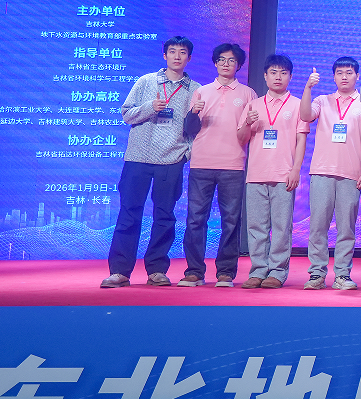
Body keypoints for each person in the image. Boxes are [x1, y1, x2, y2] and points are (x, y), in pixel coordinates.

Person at [101, 36, 201, 288]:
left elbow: (196, 128)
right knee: (129, 212)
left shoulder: (195, 89)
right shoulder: (146, 81)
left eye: (182, 52)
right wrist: (149, 107)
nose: (177, 56)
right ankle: (120, 271)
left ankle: (157, 270)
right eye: (172, 51)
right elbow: (126, 114)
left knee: (165, 216)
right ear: (164, 55)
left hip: (172, 159)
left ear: (189, 58)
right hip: (138, 158)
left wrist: (186, 153)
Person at [179, 42, 257, 288]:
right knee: (195, 219)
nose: (226, 64)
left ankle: (225, 272)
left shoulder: (248, 94)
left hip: (233, 165)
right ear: (215, 63)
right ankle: (194, 271)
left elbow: (248, 134)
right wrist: (193, 113)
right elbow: (189, 130)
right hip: (201, 163)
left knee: (231, 221)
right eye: (221, 59)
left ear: (239, 65)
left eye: (231, 60)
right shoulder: (201, 91)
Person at [299, 57, 361, 290]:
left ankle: (342, 275)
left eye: (349, 72)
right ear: (333, 77)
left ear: (357, 76)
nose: (344, 76)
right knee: (318, 226)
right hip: (321, 171)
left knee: (346, 228)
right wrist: (308, 88)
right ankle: (317, 273)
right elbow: (305, 116)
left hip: (351, 175)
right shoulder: (322, 101)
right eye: (340, 72)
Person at [237, 54, 309, 289]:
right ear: (265, 76)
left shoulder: (297, 105)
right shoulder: (253, 105)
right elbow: (241, 138)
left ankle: (277, 271)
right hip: (256, 174)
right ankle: (258, 270)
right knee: (256, 226)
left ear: (290, 77)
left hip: (283, 174)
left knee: (281, 226)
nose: (278, 77)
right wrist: (247, 123)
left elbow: (301, 140)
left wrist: (296, 169)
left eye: (283, 73)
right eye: (273, 73)